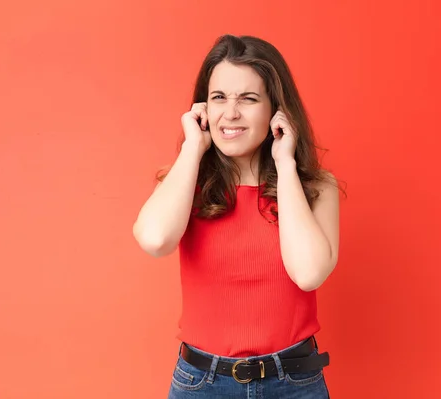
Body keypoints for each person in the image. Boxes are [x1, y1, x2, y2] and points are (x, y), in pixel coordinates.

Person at [133, 34, 341, 398]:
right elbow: (154, 240)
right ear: (202, 109)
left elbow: (308, 274)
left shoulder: (316, 188)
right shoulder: (184, 181)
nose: (230, 113)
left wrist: (285, 164)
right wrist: (192, 149)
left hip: (293, 383)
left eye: (248, 99)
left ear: (276, 110)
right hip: (201, 383)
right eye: (218, 98)